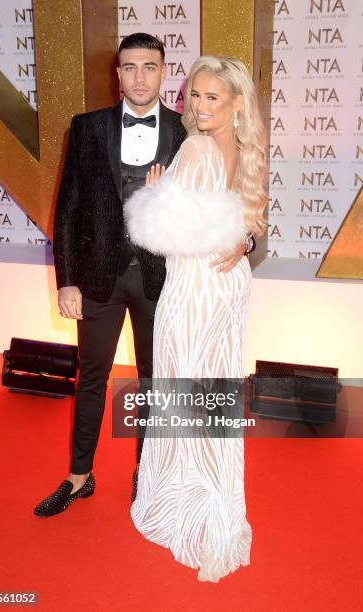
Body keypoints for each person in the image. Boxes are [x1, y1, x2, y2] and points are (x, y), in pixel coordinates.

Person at [33, 36, 252, 518]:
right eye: (129, 68)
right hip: (98, 279)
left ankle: (147, 474)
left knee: (157, 383)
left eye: (149, 67)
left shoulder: (189, 131)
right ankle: (78, 475)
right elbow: (67, 209)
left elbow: (234, 202)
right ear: (118, 74)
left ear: (163, 72)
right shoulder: (86, 127)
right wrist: (65, 280)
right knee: (91, 378)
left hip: (165, 282)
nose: (138, 77)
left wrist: (247, 242)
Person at [124, 56, 267, 582]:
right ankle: (216, 506)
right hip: (229, 286)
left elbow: (159, 235)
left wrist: (157, 193)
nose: (199, 106)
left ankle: (186, 510)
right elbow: (243, 230)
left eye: (212, 97)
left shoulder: (196, 147)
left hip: (193, 290)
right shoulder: (246, 151)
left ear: (234, 105)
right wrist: (246, 240)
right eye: (195, 96)